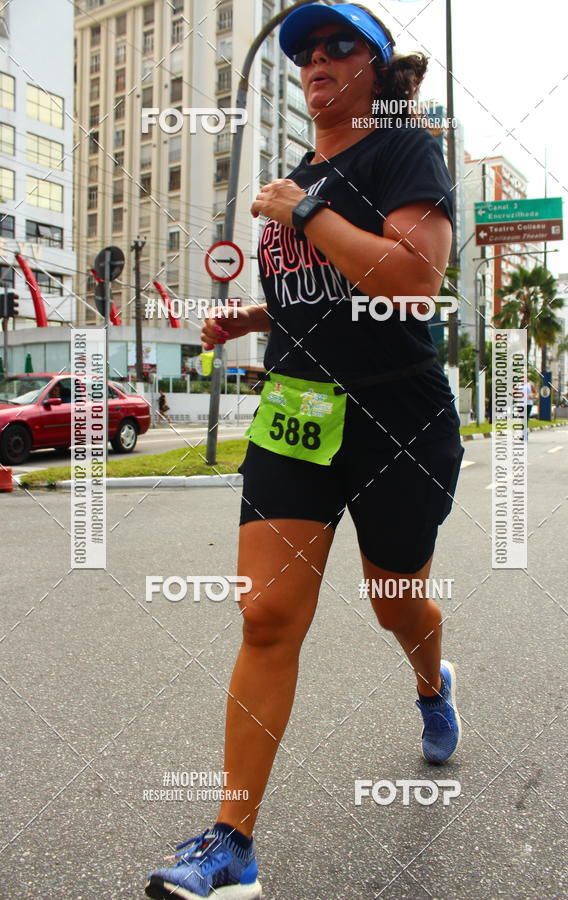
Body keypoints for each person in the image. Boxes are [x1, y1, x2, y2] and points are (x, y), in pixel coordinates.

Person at [145, 5, 463, 898]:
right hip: (298, 411)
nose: (315, 59)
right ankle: (231, 847)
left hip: (397, 417)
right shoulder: (300, 174)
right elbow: (323, 288)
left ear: (376, 68)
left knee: (394, 600)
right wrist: (250, 316)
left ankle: (432, 682)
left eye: (338, 45)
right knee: (266, 616)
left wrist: (307, 209)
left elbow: (413, 280)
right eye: (305, 51)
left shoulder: (402, 151)